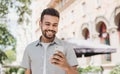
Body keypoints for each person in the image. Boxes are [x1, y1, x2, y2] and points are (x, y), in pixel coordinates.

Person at [21, 8, 79, 74]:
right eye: (47, 24)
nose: (51, 28)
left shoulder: (67, 47)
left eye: (55, 25)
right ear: (40, 24)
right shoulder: (29, 48)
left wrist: (67, 67)